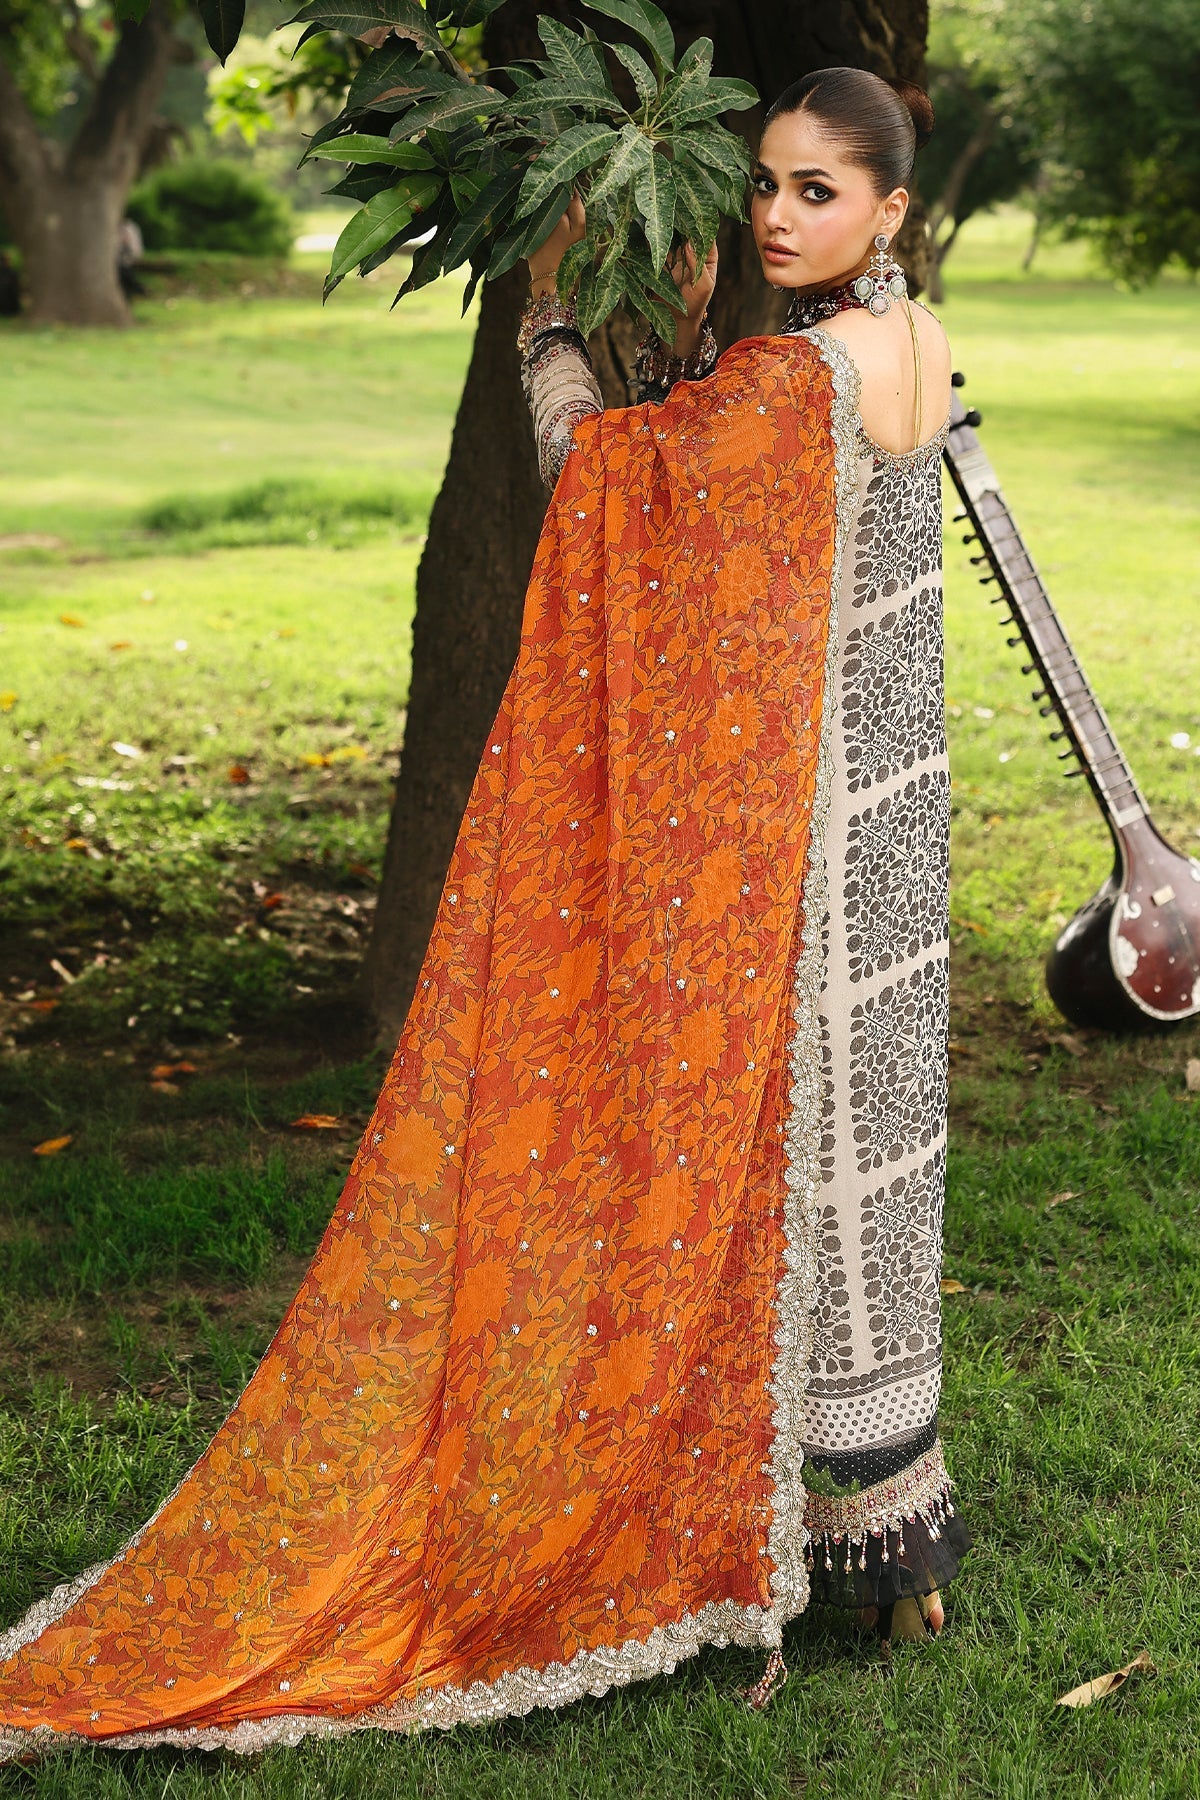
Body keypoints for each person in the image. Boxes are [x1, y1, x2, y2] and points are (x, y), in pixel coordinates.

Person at [0, 65, 971, 1764]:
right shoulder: (920, 344)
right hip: (892, 844)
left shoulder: (792, 375)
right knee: (863, 1185)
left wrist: (550, 330)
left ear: (888, 207)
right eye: (763, 182)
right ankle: (894, 1551)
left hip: (799, 860)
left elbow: (600, 485)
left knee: (771, 1177)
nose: (773, 214)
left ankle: (736, 1533)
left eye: (816, 191)